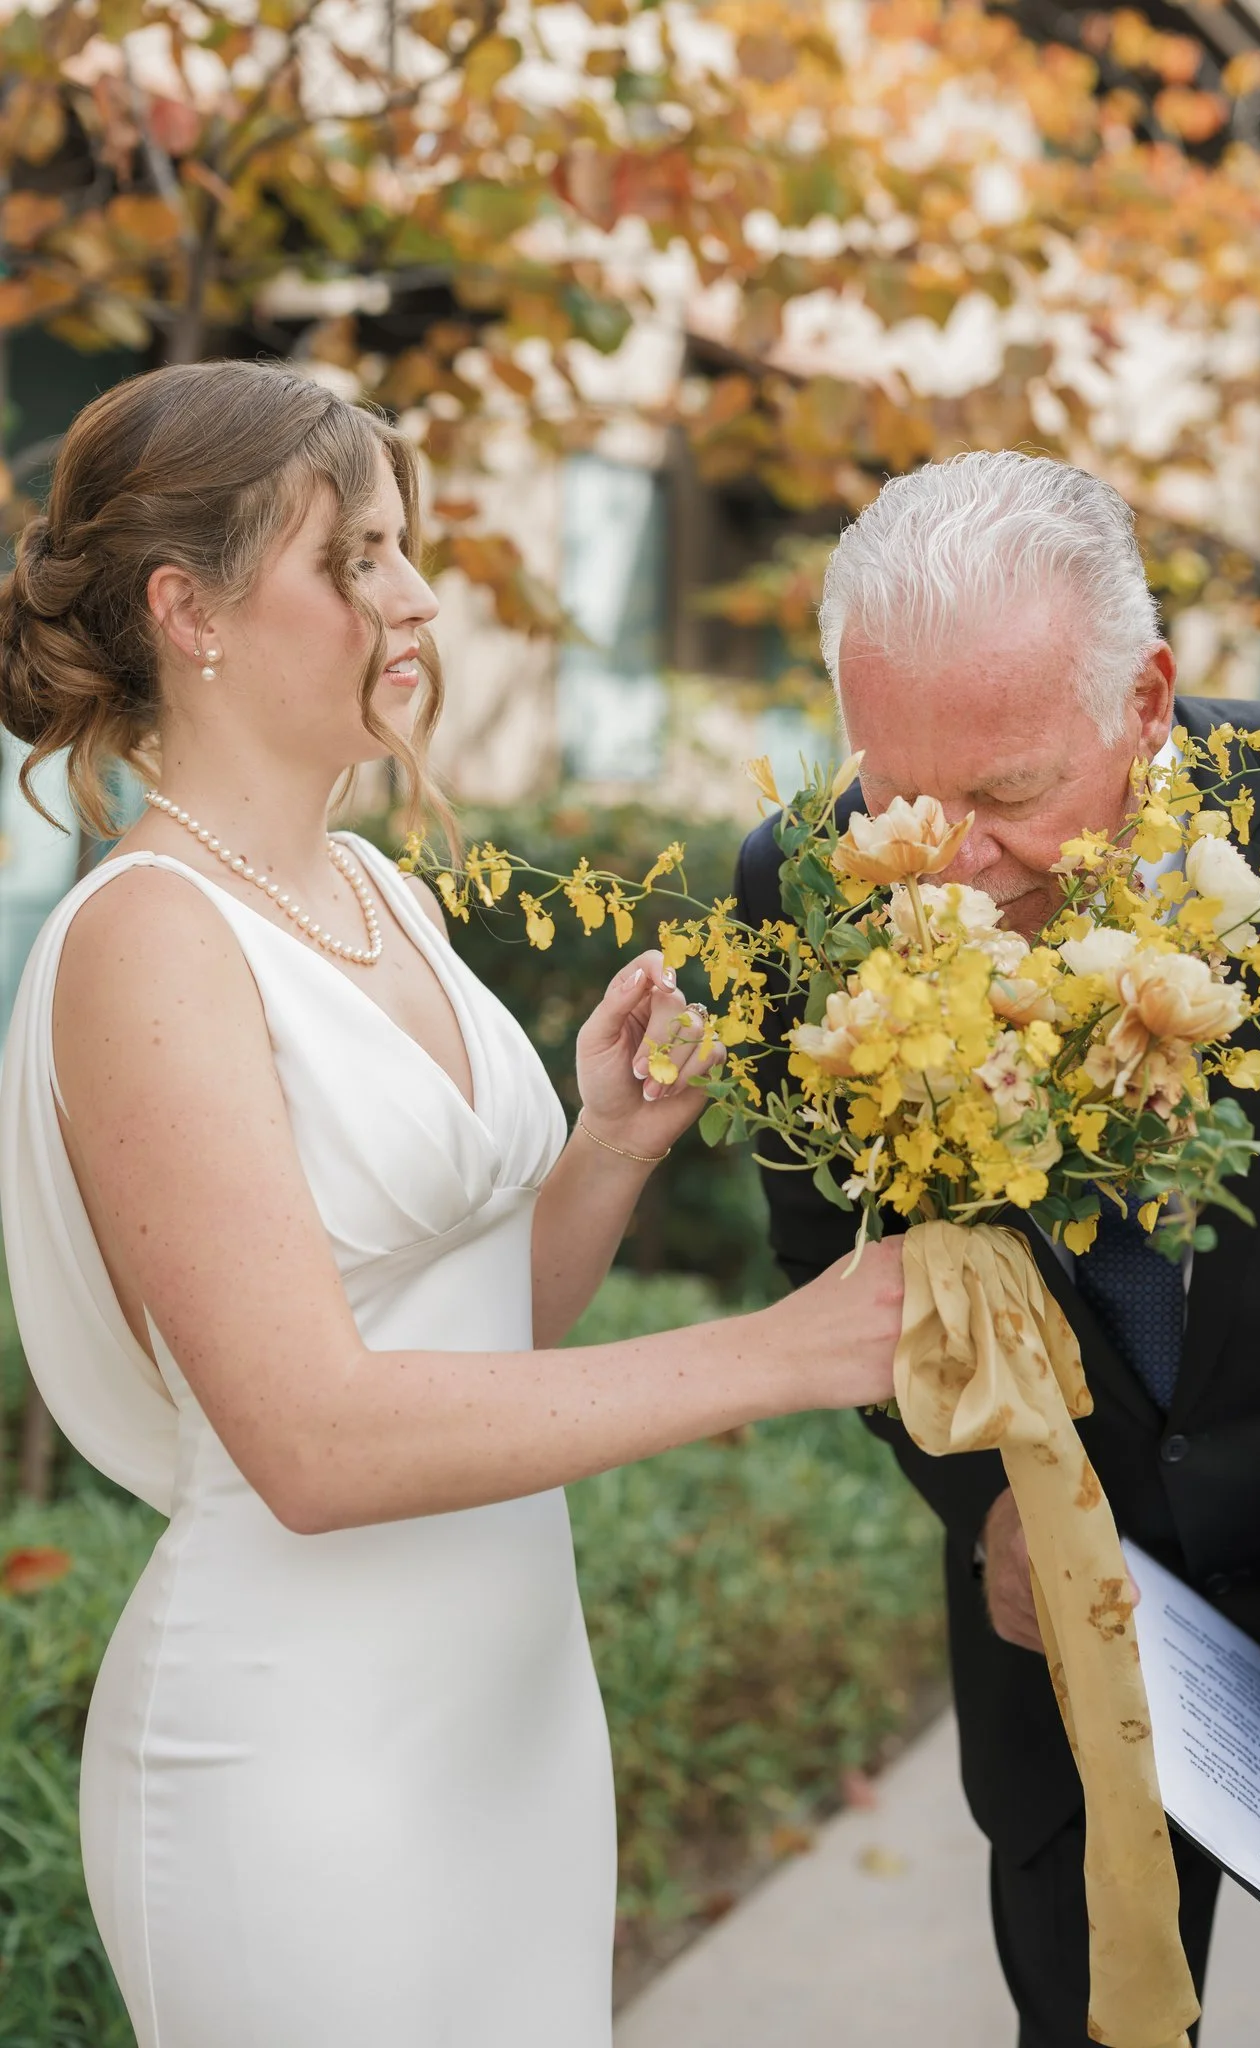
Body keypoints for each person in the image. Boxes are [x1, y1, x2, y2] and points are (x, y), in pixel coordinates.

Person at [0, 359, 903, 2048]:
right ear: (185, 609)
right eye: (350, 559)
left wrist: (603, 1152)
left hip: (511, 1719)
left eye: (402, 549)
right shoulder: (145, 941)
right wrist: (788, 1351)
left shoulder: (374, 890)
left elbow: (465, 1336)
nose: (411, 597)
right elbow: (319, 1443)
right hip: (303, 1763)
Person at [735, 450, 1260, 2047]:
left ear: (1147, 699)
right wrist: (984, 1514)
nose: (941, 860)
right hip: (1067, 1631)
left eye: (1006, 794)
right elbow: (834, 1271)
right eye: (897, 791)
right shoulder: (797, 891)